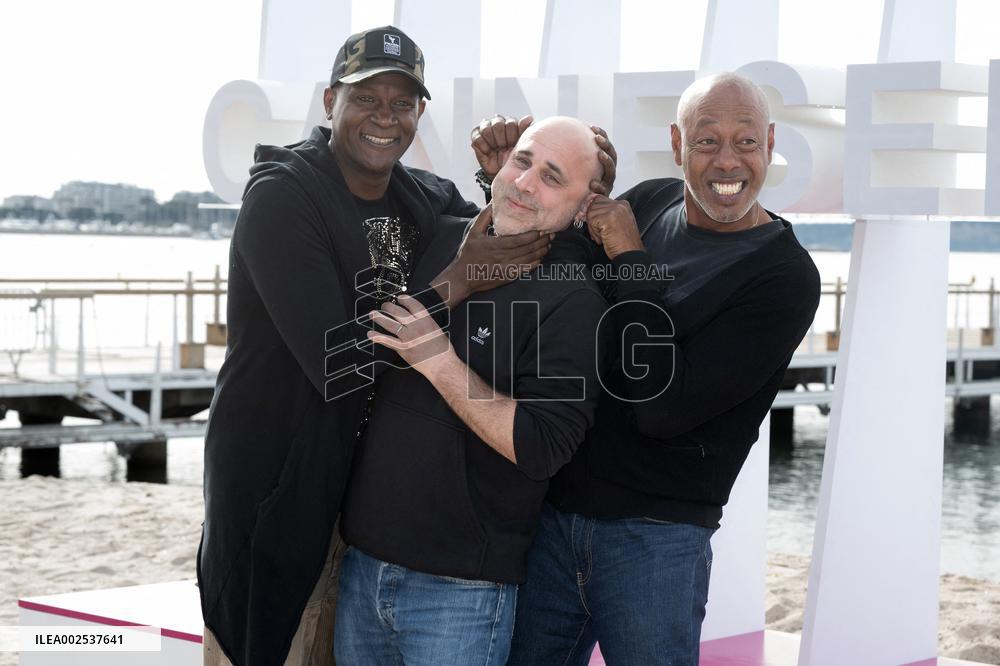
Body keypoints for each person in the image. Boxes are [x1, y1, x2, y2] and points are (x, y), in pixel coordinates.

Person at [197, 25, 553, 666]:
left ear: (421, 112)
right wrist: (458, 282)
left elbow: (493, 226)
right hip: (272, 495)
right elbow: (338, 367)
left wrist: (499, 175)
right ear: (331, 100)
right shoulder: (282, 197)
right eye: (366, 98)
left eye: (401, 103)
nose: (384, 118)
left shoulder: (417, 197)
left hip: (360, 511)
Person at [507, 73, 822, 665]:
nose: (727, 160)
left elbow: (661, 405)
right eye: (707, 141)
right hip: (553, 518)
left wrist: (629, 256)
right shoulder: (649, 201)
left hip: (655, 540)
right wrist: (512, 178)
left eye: (745, 141)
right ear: (678, 144)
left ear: (771, 143)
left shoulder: (785, 278)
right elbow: (565, 280)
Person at [332, 117, 614, 665]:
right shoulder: (440, 238)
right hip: (362, 566)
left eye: (553, 178)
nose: (526, 182)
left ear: (584, 207)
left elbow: (543, 446)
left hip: (459, 593)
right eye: (523, 161)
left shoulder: (575, 301)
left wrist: (439, 362)